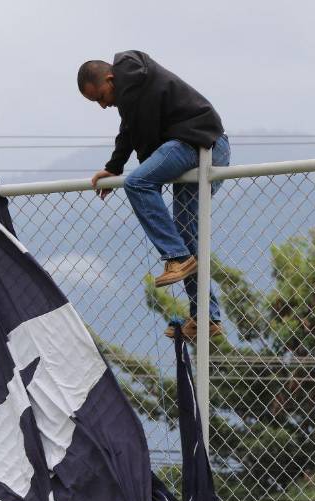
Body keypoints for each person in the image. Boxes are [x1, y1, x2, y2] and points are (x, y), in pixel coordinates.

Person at [78, 50, 230, 340]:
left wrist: (145, 176)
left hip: (201, 144)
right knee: (185, 232)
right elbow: (129, 131)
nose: (103, 105)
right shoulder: (132, 91)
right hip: (198, 144)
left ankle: (176, 257)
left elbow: (143, 140)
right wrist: (113, 167)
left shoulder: (136, 84)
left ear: (110, 79)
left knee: (137, 184)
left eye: (100, 97)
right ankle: (206, 316)